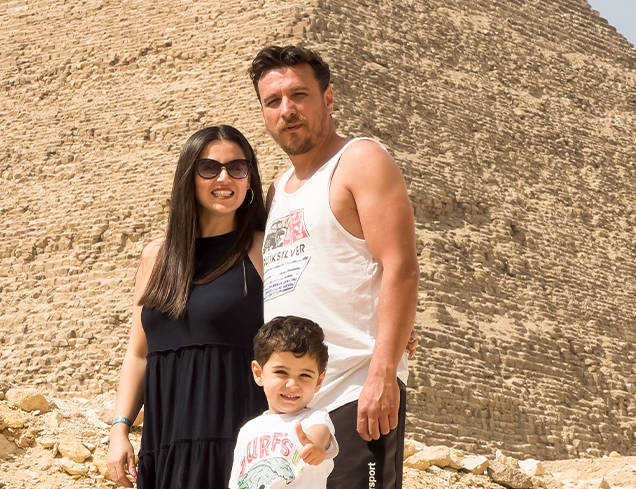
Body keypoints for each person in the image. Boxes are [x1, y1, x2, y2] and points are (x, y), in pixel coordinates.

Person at [248, 45, 420, 489]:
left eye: (299, 95)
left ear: (327, 99)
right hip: (292, 404)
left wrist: (383, 373)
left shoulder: (360, 161)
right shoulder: (277, 191)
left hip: (355, 392)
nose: (287, 110)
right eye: (273, 101)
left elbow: (400, 266)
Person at [105, 125, 269, 489]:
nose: (224, 178)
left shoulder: (264, 249)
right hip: (164, 444)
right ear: (188, 177)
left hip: (234, 443)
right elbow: (138, 354)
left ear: (250, 179)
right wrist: (120, 428)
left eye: (237, 168)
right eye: (209, 168)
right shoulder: (155, 257)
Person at [229, 315, 338, 489]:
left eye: (304, 375)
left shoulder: (315, 418)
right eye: (281, 372)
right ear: (258, 373)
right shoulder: (247, 430)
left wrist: (315, 444)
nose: (292, 385)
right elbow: (237, 483)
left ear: (318, 381)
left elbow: (320, 434)